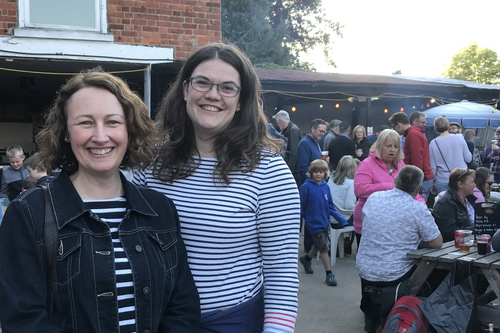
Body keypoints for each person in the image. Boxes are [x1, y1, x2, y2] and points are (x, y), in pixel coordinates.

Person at [0, 69, 200, 332]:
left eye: (113, 122)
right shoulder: (28, 213)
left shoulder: (159, 209)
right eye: (85, 123)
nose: (101, 136)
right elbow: (23, 318)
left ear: (129, 129)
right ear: (66, 132)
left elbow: (182, 306)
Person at [133, 44, 300, 332]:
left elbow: (281, 274)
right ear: (186, 89)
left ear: (241, 100)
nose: (213, 94)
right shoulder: (149, 160)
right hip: (157, 318)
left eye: (227, 88)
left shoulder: (269, 172)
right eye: (202, 82)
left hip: (231, 321)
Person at [357, 165, 443, 332]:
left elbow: (368, 222)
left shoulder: (374, 198)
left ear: (395, 181)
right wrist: (414, 241)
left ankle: (373, 316)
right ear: (419, 188)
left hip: (365, 269)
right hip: (393, 274)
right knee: (432, 274)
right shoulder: (417, 208)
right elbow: (437, 242)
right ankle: (408, 318)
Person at [354, 129, 425, 247]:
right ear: (380, 146)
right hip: (370, 222)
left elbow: (410, 189)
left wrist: (421, 202)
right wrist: (390, 187)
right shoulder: (366, 164)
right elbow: (359, 190)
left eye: (396, 146)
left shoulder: (401, 165)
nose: (393, 150)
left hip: (396, 223)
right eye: (388, 146)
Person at [299, 159, 348, 287]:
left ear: (325, 173)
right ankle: (329, 273)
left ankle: (307, 259)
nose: (318, 174)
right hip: (313, 223)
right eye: (315, 172)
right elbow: (300, 207)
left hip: (324, 221)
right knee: (324, 247)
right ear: (310, 173)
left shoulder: (326, 187)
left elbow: (330, 206)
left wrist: (341, 219)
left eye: (321, 172)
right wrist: (298, 223)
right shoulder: (305, 187)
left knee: (319, 244)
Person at [389, 112, 434, 200]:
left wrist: (417, 183)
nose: (394, 129)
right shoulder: (415, 133)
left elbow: (417, 159)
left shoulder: (412, 134)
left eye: (393, 126)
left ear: (398, 124)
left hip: (421, 179)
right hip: (424, 178)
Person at [429, 116, 472, 193]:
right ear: (448, 126)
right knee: (461, 203)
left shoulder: (433, 143)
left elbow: (433, 167)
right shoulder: (459, 138)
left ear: (435, 127)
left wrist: (432, 183)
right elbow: (468, 158)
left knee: (445, 203)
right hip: (461, 177)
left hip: (442, 179)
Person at [433, 168, 476, 242]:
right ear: (460, 184)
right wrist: (476, 229)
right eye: (472, 182)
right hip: (449, 247)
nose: (475, 185)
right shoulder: (446, 203)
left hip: (467, 242)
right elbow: (449, 233)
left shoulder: (469, 200)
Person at [273, 110, 302, 183]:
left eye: (277, 123)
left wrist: (289, 171)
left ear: (280, 121)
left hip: (293, 170)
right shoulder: (289, 130)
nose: (277, 125)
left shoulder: (292, 130)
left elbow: (293, 152)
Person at [328, 155, 357, 220]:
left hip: (329, 215)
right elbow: (349, 206)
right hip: (342, 218)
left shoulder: (331, 179)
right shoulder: (351, 183)